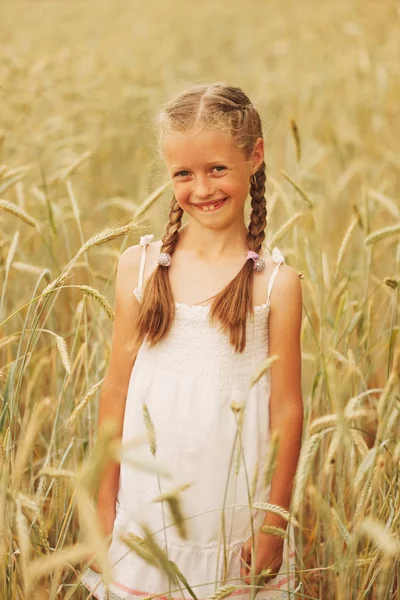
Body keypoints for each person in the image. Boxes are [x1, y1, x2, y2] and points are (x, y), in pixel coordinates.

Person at [80, 82, 303, 599]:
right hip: (147, 513)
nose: (201, 188)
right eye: (184, 173)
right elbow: (115, 393)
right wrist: (104, 507)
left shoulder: (275, 285)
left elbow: (288, 411)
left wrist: (273, 526)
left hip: (233, 517)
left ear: (256, 156)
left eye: (217, 169)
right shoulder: (139, 268)